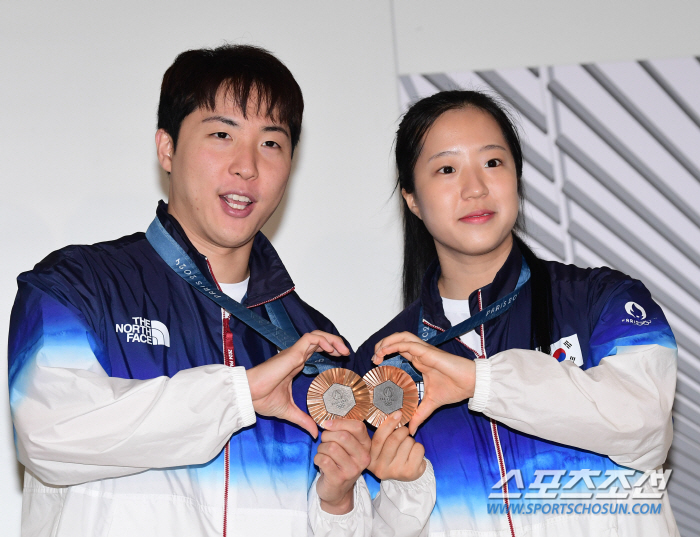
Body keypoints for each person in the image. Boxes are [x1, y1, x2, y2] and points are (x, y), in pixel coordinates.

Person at [8, 44, 434, 537]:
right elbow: (49, 433)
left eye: (271, 143)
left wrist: (336, 502)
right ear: (167, 149)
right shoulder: (77, 284)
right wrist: (239, 392)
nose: (247, 166)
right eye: (221, 135)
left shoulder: (315, 343)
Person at [357, 90, 680, 536]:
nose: (475, 188)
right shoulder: (380, 367)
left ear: (516, 177)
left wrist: (480, 381)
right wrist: (400, 493)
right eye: (447, 169)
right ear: (412, 198)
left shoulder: (602, 299)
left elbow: (646, 428)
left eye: (493, 163)